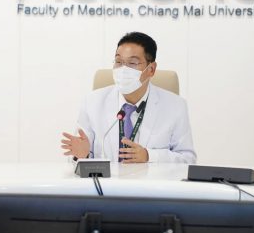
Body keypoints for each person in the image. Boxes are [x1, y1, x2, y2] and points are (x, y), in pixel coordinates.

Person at [61, 32, 196, 163]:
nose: (123, 69)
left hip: (151, 179)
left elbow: (188, 159)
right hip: (107, 179)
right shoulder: (91, 103)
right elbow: (75, 158)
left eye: (132, 63)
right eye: (118, 61)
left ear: (151, 69)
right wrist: (82, 155)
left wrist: (149, 156)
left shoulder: (176, 106)